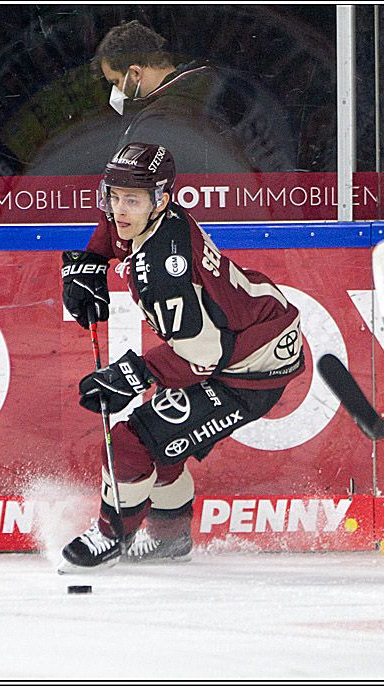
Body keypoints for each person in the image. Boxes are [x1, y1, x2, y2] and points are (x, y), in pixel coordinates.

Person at [59, 142, 305, 572]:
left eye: (131, 199)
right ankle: (170, 541)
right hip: (251, 331)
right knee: (164, 443)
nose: (119, 209)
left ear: (161, 201)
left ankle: (111, 536)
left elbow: (202, 356)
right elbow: (113, 228)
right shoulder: (153, 217)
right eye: (112, 195)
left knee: (130, 445)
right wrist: (92, 263)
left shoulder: (162, 271)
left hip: (251, 367)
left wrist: (131, 375)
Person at [92, 20, 297, 174]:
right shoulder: (214, 89)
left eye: (115, 82)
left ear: (135, 73)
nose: (116, 92)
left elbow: (129, 185)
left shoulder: (160, 119)